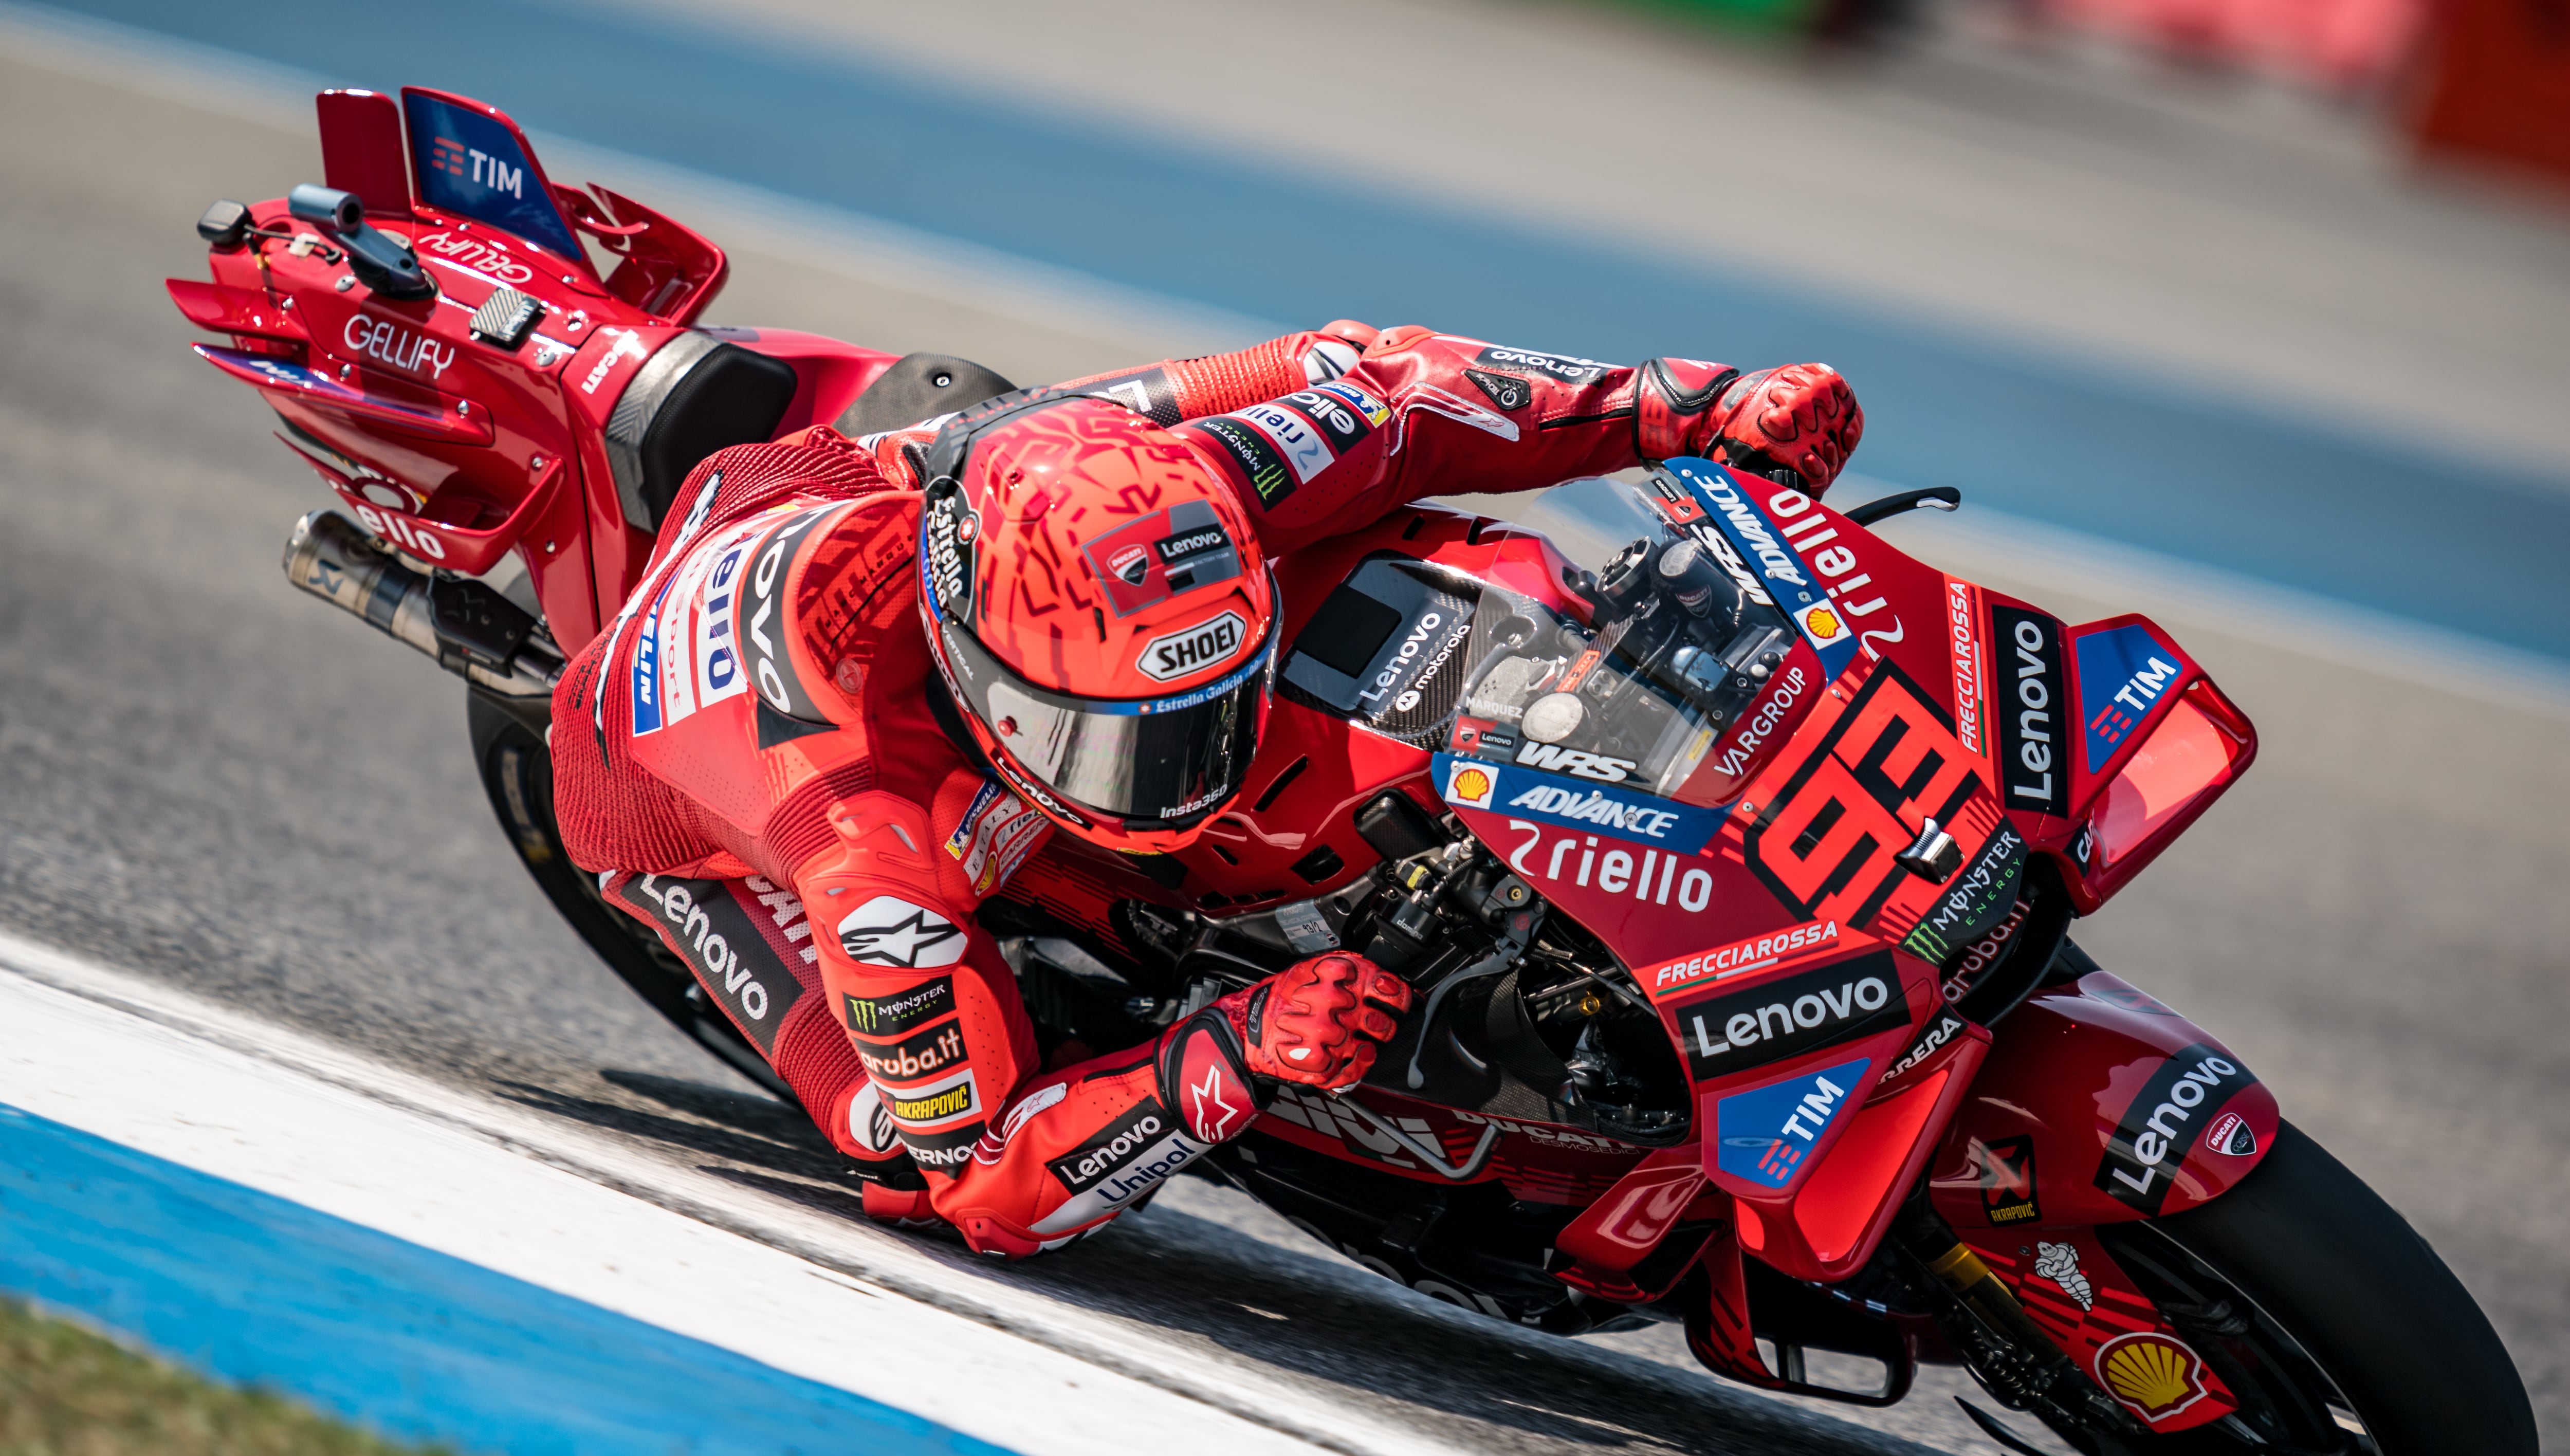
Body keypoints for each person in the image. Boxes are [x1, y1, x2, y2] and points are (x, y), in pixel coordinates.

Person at [550, 321, 1863, 1256]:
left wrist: (1690, 406)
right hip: (669, 803)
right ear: (978, 674)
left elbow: (1392, 385)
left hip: (842, 485)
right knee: (902, 1141)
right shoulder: (859, 837)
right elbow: (988, 1192)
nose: (1189, 779)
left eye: (1204, 715)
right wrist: (1228, 1052)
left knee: (1389, 474)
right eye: (1128, 743)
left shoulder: (1174, 472)